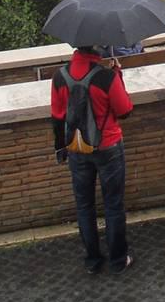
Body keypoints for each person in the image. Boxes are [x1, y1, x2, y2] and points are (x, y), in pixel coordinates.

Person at [51, 45, 134, 275]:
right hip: (108, 146)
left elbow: (57, 116)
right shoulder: (106, 77)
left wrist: (61, 147)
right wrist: (118, 75)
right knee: (113, 204)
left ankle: (92, 260)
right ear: (98, 49)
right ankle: (118, 260)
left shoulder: (60, 76)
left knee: (84, 205)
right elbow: (125, 110)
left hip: (78, 147)